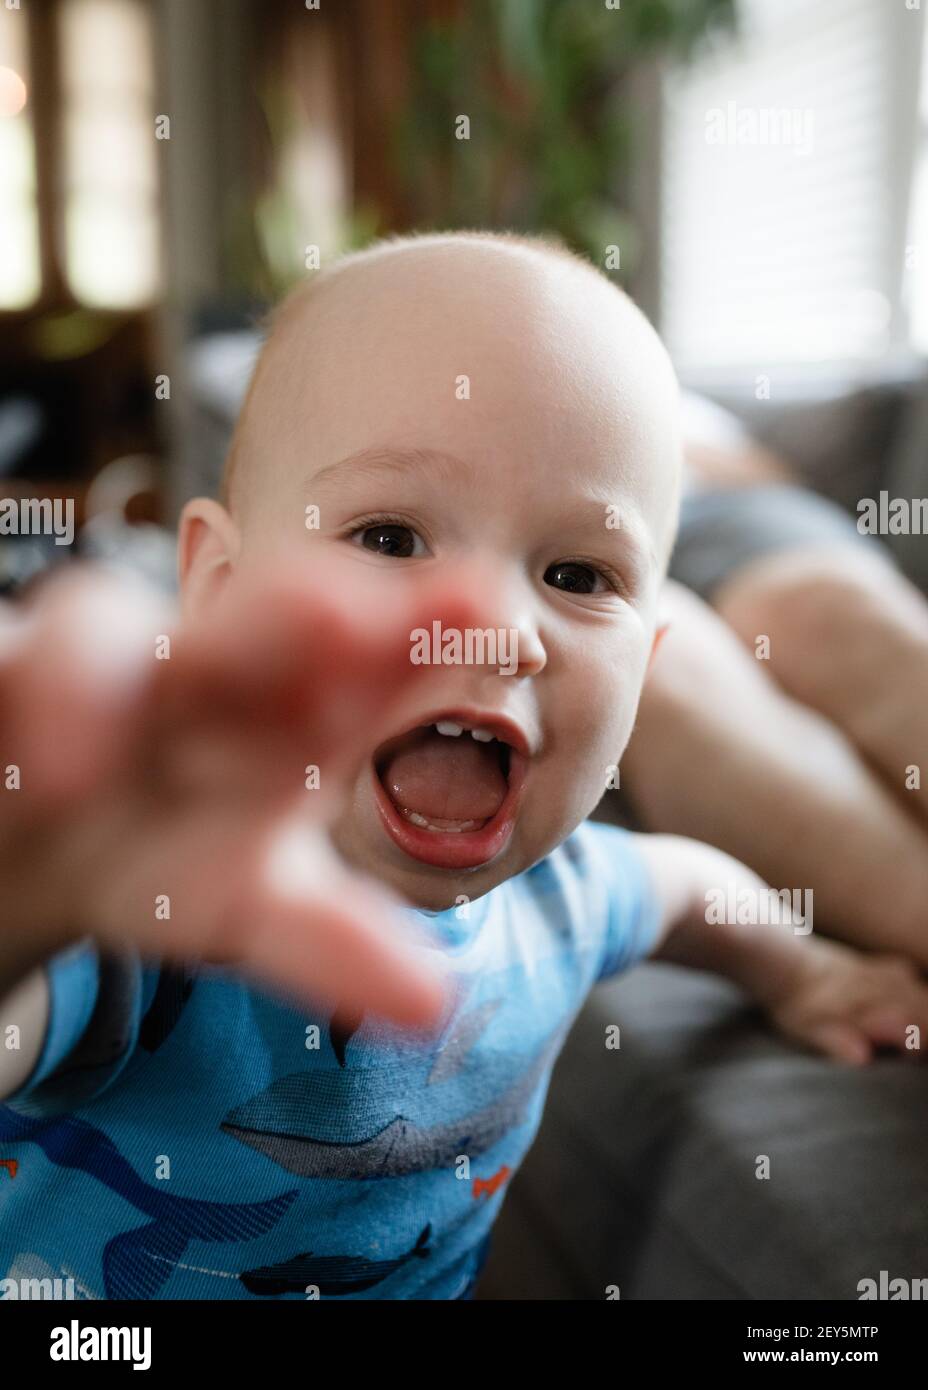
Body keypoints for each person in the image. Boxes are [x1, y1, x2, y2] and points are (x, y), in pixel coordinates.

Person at [1, 232, 926, 1303]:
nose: (488, 628)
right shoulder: (146, 921)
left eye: (578, 572)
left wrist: (806, 973)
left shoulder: (565, 900)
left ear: (648, 672)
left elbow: (686, 891)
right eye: (391, 538)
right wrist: (33, 889)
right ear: (216, 586)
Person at [620, 394, 928, 968]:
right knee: (654, 667)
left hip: (718, 507)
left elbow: (770, 477)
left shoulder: (668, 392)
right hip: (577, 542)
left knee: (831, 612)